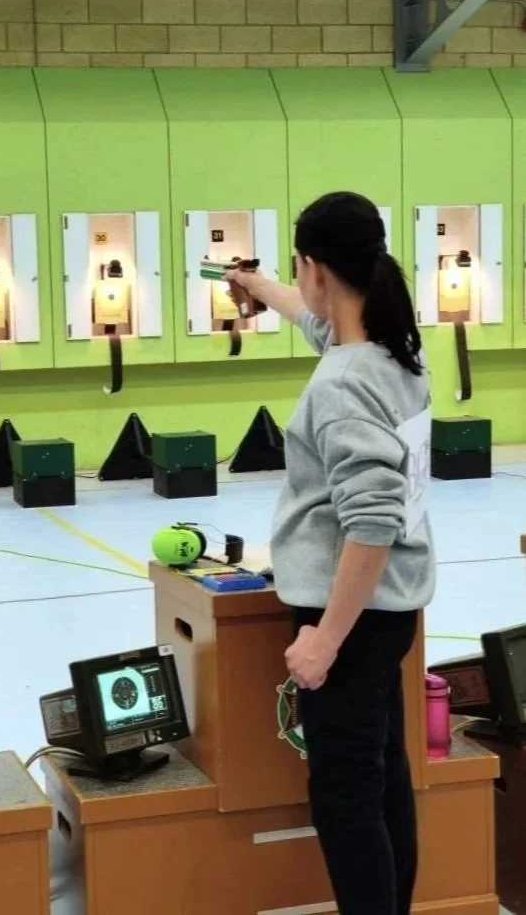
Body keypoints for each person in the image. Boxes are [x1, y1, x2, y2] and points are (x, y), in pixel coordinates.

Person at [225, 192, 435, 915]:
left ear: (314, 266)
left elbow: (370, 525)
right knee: (381, 779)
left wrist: (322, 642)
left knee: (345, 796)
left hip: (349, 616)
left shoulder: (345, 384)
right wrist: (256, 286)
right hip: (392, 611)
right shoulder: (389, 350)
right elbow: (318, 317)